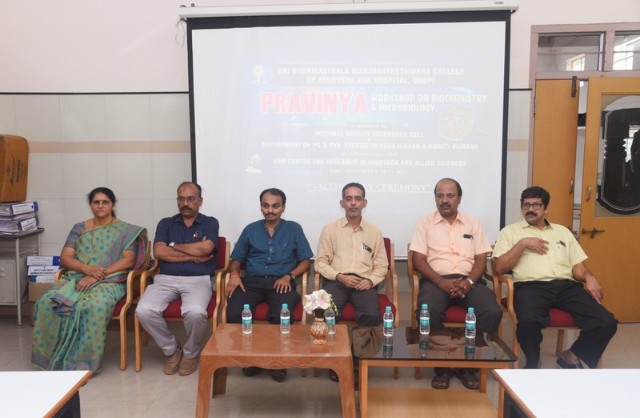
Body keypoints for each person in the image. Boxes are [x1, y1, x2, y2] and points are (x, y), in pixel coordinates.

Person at [493, 186, 618, 369]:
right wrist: (522, 244)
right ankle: (533, 362)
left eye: (536, 205)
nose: (530, 209)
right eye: (526, 205)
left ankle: (571, 356)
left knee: (606, 321)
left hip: (567, 287)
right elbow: (499, 268)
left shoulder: (563, 232)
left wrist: (589, 277)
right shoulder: (509, 232)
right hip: (530, 287)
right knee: (528, 321)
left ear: (546, 208)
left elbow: (577, 267)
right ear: (521, 207)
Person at [32, 187, 147, 373]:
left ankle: (82, 364)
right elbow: (65, 258)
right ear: (90, 205)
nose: (100, 205)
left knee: (93, 306)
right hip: (76, 277)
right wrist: (86, 269)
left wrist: (95, 275)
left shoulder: (126, 231)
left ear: (113, 204)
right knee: (46, 302)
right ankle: (49, 359)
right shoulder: (79, 228)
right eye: (96, 202)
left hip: (110, 280)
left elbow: (128, 260)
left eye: (105, 202)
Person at [409, 178, 502, 390]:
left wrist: (468, 282)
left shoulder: (473, 223)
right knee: (428, 311)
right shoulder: (425, 223)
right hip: (436, 281)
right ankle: (442, 367)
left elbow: (481, 259)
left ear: (459, 199)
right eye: (440, 196)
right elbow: (418, 260)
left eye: (450, 196)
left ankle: (468, 365)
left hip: (470, 281)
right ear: (435, 199)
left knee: (491, 311)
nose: (445, 200)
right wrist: (441, 281)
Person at [225, 188, 313, 382]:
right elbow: (236, 259)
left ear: (283, 208)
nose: (270, 210)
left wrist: (289, 276)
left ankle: (278, 361)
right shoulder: (250, 230)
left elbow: (306, 261)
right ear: (261, 207)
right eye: (266, 206)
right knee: (235, 311)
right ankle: (249, 359)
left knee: (282, 314)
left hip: (281, 281)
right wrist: (234, 274)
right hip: (252, 282)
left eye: (275, 206)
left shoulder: (294, 229)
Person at [136, 181, 219, 376]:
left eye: (190, 199)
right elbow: (159, 252)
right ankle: (171, 350)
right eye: (181, 199)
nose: (185, 203)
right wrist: (192, 256)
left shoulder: (210, 222)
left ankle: (190, 353)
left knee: (195, 312)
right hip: (166, 278)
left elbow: (206, 249)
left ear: (200, 201)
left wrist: (172, 246)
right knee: (143, 310)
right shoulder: (166, 223)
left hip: (198, 278)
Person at [315, 182, 388, 382]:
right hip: (336, 280)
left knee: (371, 315)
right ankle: (335, 361)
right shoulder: (330, 229)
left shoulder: (374, 232)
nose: (353, 203)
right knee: (327, 313)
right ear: (342, 203)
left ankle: (358, 361)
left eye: (357, 199)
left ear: (365, 203)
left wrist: (371, 281)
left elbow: (382, 265)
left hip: (364, 283)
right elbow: (320, 262)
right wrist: (339, 276)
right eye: (349, 199)